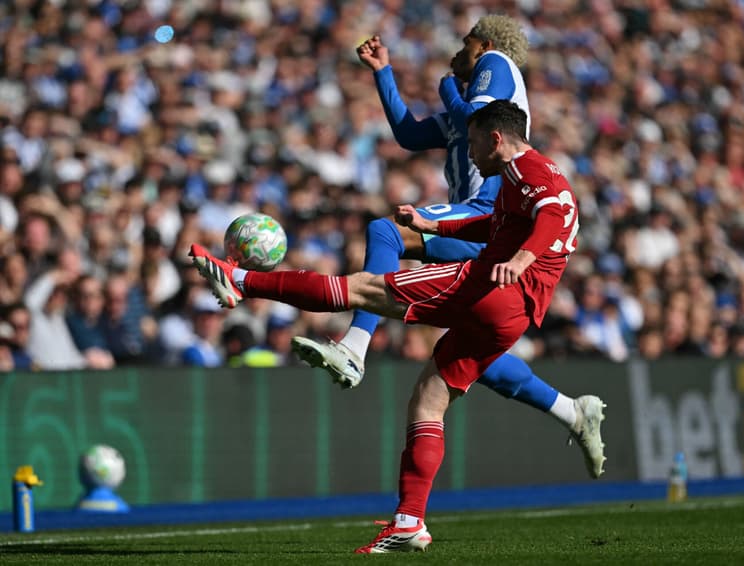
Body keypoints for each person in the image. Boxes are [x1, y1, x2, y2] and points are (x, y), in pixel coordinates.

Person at [190, 101, 605, 553]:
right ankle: (410, 522)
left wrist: (521, 258)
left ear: (496, 138)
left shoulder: (529, 170)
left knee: (362, 288)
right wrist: (432, 227)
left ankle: (240, 280)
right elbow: (498, 224)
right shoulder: (517, 179)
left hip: (491, 288)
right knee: (429, 398)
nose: (470, 155)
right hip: (516, 314)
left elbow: (555, 214)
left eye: (474, 144)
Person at [293, 15, 583, 445]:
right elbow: (409, 135)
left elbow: (473, 111)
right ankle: (571, 410)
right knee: (473, 345)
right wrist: (383, 73)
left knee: (386, 232)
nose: (458, 52)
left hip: (485, 212)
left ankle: (355, 345)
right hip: (481, 225)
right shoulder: (467, 114)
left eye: (465, 44)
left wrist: (446, 84)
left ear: (482, 46)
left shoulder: (497, 64)